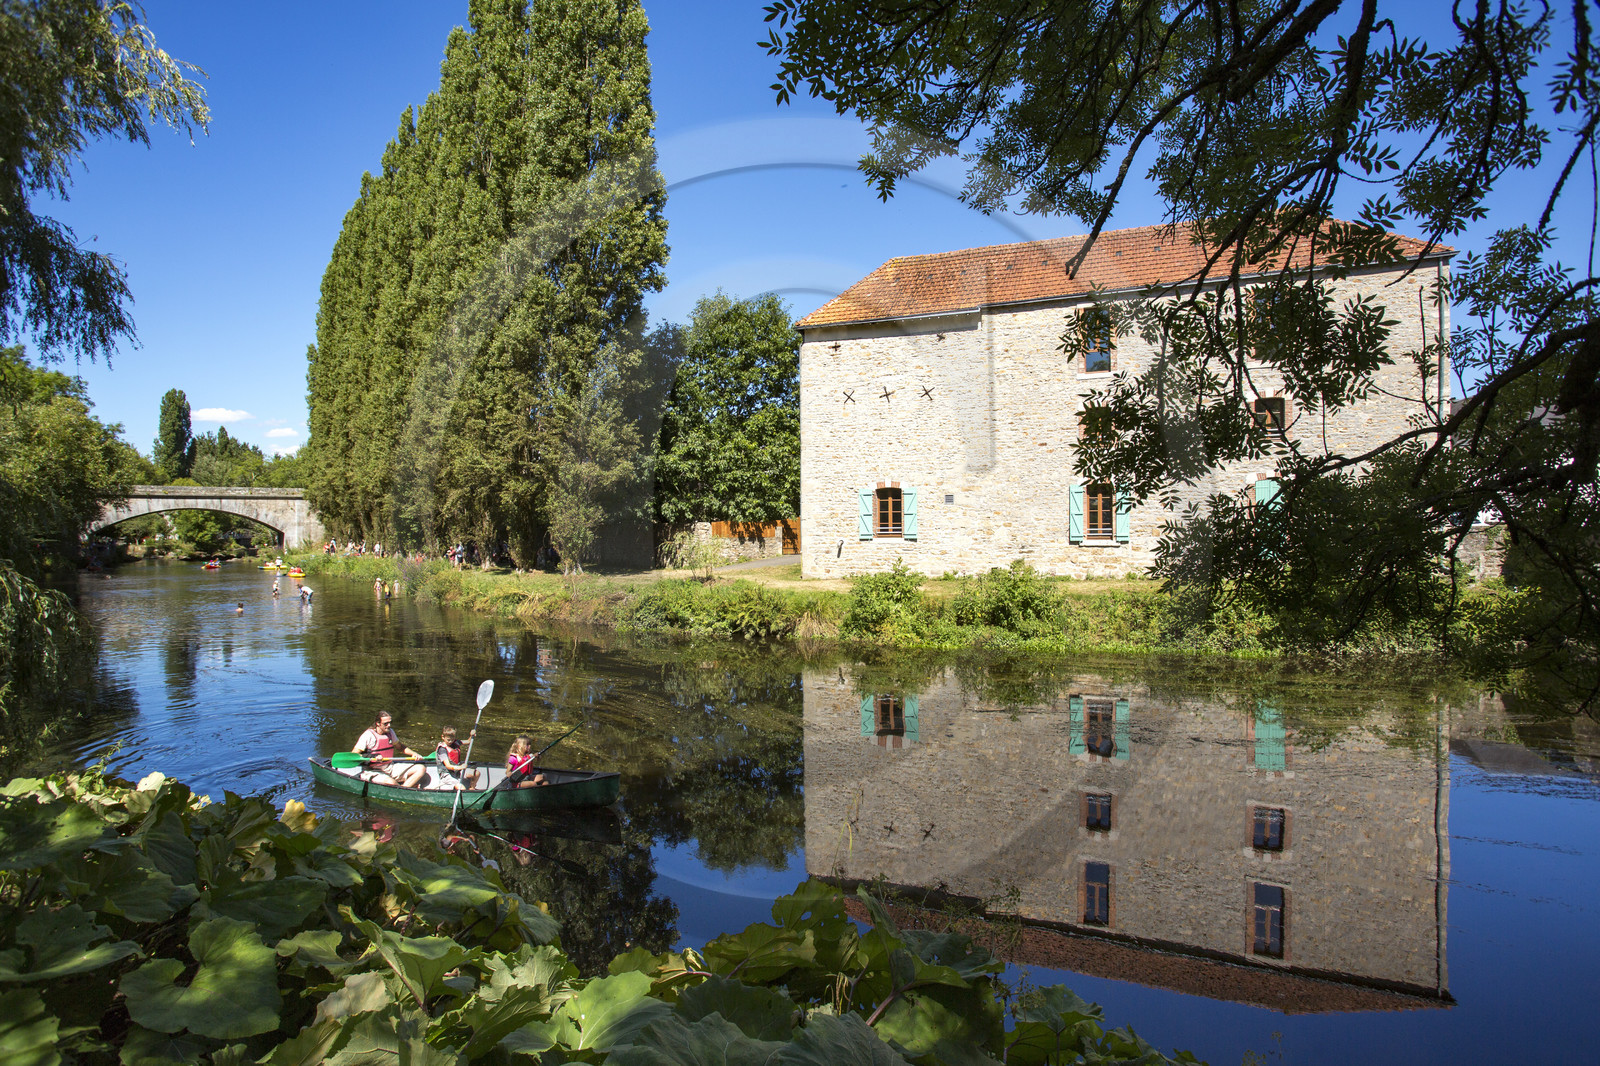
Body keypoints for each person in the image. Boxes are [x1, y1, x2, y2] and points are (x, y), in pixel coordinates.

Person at [350, 713, 428, 787]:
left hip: (390, 767)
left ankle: (403, 788)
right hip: (372, 770)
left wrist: (413, 753)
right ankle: (403, 788)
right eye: (385, 724)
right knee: (391, 782)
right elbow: (354, 755)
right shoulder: (368, 735)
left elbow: (400, 747)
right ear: (378, 723)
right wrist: (372, 756)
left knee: (421, 768)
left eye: (390, 723)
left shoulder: (390, 732)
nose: (389, 725)